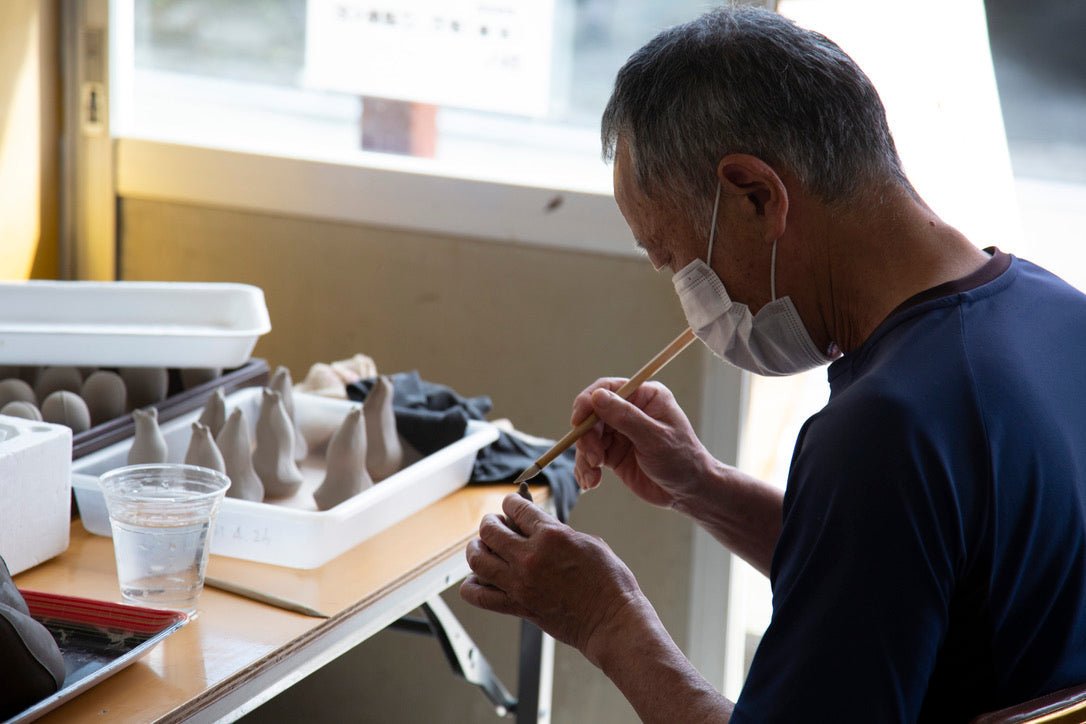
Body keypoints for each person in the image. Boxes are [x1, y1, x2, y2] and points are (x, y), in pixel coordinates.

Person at [460, 5, 1086, 722]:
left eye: (676, 259)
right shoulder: (1058, 313)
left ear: (756, 197)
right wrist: (701, 485)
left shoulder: (887, 428)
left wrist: (608, 621)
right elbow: (899, 569)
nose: (691, 302)